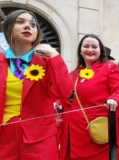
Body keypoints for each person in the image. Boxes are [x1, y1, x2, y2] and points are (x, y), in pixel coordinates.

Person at [0, 10, 73, 159]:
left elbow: (64, 92)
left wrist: (54, 56)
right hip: (4, 136)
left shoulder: (47, 63)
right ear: (8, 29)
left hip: (40, 137)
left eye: (32, 24)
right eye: (20, 22)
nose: (28, 26)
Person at [66, 34, 119, 159]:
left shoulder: (109, 68)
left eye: (94, 47)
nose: (90, 49)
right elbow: (64, 95)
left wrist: (115, 98)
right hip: (75, 130)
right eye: (86, 46)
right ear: (80, 50)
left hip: (97, 128)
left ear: (100, 51)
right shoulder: (73, 74)